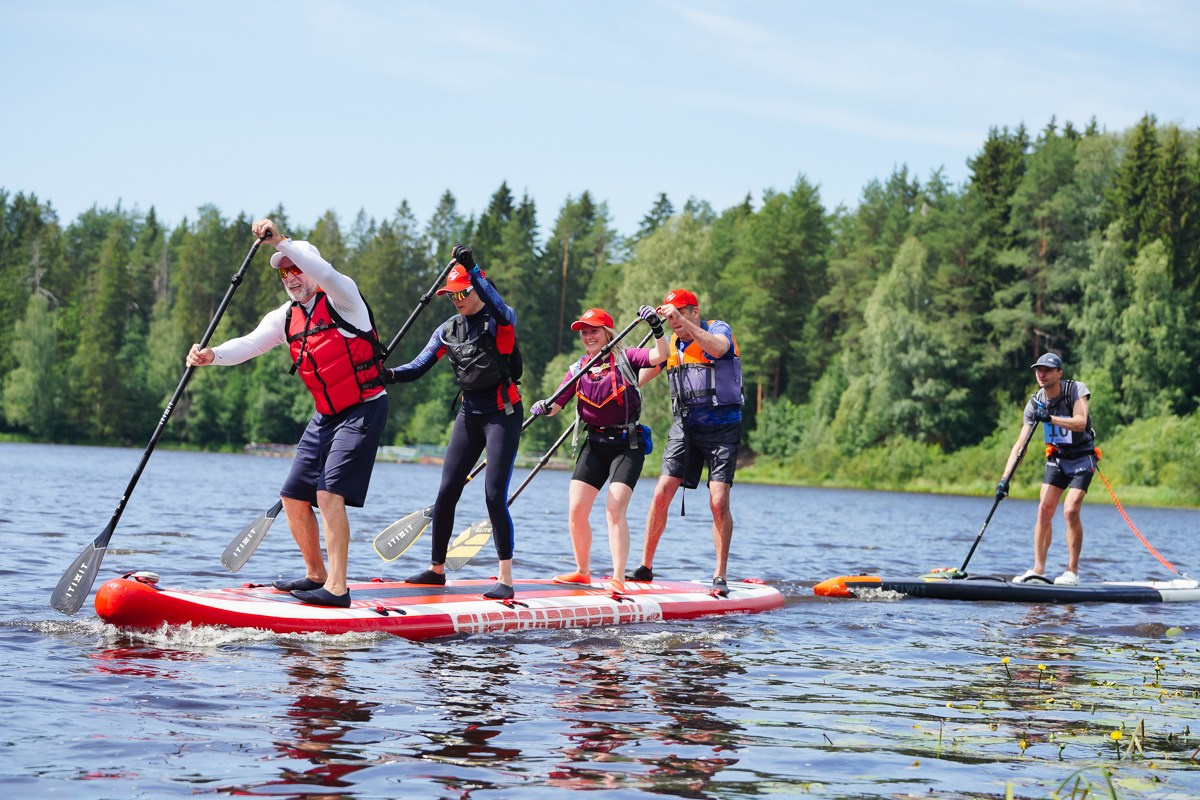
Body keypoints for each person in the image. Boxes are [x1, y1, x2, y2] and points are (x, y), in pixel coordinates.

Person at [186, 219, 389, 608]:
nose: (290, 277)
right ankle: (316, 574)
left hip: (364, 408)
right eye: (283, 272)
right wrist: (212, 356)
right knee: (294, 496)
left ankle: (338, 588)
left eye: (296, 269)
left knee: (328, 494)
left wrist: (280, 241)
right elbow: (249, 344)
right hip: (326, 415)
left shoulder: (344, 298)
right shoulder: (286, 316)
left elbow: (324, 273)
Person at [386, 245, 523, 600]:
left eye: (463, 293)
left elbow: (499, 305)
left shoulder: (501, 321)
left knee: (494, 494)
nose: (457, 300)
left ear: (478, 289)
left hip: (503, 413)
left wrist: (472, 268)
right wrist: (386, 375)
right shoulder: (447, 330)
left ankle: (505, 579)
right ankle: (436, 571)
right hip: (469, 414)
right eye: (451, 295)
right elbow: (418, 366)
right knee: (447, 491)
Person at [530, 307, 665, 594]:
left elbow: (660, 355)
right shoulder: (578, 368)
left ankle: (618, 578)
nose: (588, 336)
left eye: (594, 331)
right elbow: (555, 406)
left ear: (608, 333)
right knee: (576, 511)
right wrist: (543, 405)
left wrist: (656, 327)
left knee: (614, 509)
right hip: (594, 444)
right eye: (584, 332)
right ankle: (582, 572)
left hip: (626, 446)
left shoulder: (627, 358)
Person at [626, 289, 744, 596]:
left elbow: (719, 349)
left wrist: (682, 321)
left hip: (722, 427)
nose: (675, 321)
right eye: (672, 316)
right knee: (661, 492)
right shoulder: (671, 345)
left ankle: (720, 575)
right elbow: (636, 379)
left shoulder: (717, 329)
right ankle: (645, 566)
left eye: (681, 314)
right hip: (685, 426)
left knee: (718, 499)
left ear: (695, 312)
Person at [1000, 352, 1097, 586]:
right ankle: (1038, 570)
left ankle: (1072, 571)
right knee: (1044, 510)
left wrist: (1050, 418)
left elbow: (1080, 422)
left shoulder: (1075, 390)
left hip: (1082, 458)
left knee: (1070, 510)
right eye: (1038, 370)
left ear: (1059, 373)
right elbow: (1020, 445)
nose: (1041, 374)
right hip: (1057, 459)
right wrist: (1005, 479)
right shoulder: (1035, 404)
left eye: (1047, 370)